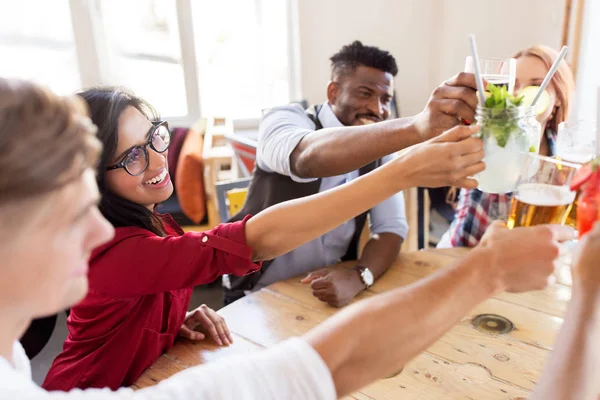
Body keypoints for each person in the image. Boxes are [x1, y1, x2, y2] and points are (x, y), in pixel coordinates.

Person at [2, 78, 597, 400]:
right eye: (132, 155)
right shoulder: (290, 123)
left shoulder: (147, 218)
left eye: (157, 136)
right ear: (334, 85)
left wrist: (166, 323)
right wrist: (408, 158)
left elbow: (389, 233)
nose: (157, 158)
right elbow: (247, 239)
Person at [223, 40, 482, 306]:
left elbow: (390, 229)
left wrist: (360, 277)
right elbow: (304, 158)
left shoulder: (381, 146)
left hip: (319, 294)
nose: (378, 109)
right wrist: (417, 128)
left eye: (386, 100)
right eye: (365, 93)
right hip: (254, 291)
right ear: (333, 92)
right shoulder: (284, 119)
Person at [440, 44, 576, 247]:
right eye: (514, 84)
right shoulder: (487, 139)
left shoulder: (566, 159)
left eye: (536, 86)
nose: (519, 95)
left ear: (557, 99)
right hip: (464, 254)